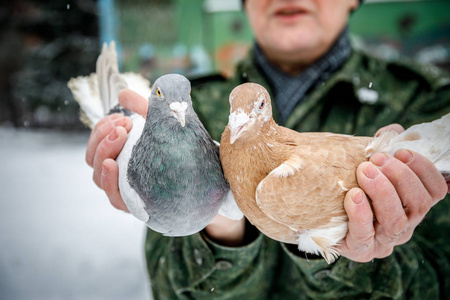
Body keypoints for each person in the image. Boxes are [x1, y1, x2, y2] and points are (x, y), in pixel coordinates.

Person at [86, 0, 450, 298]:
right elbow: (169, 288)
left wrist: (360, 258)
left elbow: (439, 282)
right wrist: (216, 217)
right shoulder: (191, 107)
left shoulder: (429, 100)